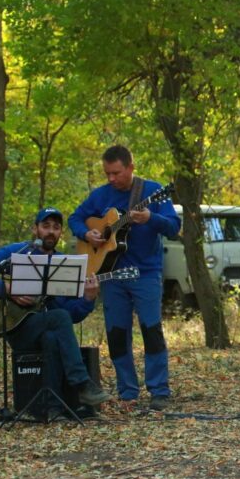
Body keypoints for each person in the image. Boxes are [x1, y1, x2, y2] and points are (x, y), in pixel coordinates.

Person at [69, 145, 181, 411]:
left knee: (151, 330)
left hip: (145, 273)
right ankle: (127, 391)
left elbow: (174, 227)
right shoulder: (100, 196)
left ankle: (159, 390)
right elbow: (75, 218)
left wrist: (150, 218)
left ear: (131, 167)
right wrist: (87, 234)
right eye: (107, 173)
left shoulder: (152, 191)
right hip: (111, 275)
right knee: (117, 333)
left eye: (116, 173)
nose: (111, 178)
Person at [0, 207, 112, 411]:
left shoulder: (64, 266)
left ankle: (52, 407)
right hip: (15, 327)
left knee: (53, 335)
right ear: (35, 229)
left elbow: (70, 317)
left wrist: (88, 299)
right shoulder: (17, 252)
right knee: (58, 318)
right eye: (45, 226)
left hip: (42, 327)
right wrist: (7, 290)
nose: (51, 231)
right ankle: (82, 385)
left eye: (56, 227)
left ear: (61, 232)